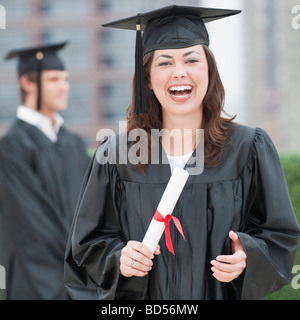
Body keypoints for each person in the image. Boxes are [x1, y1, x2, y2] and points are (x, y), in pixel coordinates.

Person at [64, 6, 300, 300]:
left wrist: (248, 256)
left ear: (209, 71)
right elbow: (85, 248)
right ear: (147, 78)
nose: (179, 72)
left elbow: (280, 236)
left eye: (191, 59)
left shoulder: (248, 149)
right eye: (164, 63)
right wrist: (118, 259)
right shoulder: (116, 156)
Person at [0, 41, 90, 299]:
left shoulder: (73, 143)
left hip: (80, 279)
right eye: (53, 79)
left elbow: (92, 210)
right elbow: (32, 225)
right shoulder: (12, 148)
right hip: (36, 282)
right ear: (28, 83)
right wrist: (80, 264)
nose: (64, 87)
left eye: (65, 79)